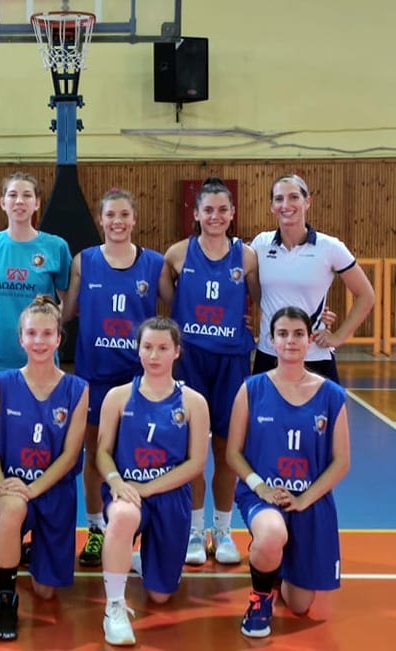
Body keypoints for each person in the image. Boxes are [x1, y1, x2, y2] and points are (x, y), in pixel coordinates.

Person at [226, 306, 351, 639]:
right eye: (282, 334)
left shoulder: (332, 395)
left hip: (309, 499)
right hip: (263, 495)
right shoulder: (251, 389)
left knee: (299, 604)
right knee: (270, 534)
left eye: (298, 334)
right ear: (271, 341)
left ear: (310, 341)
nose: (290, 341)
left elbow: (342, 462)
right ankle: (260, 600)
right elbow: (233, 453)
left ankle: (276, 567)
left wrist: (305, 498)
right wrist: (260, 488)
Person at [62, 188, 171, 567]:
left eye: (124, 215)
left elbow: (180, 309)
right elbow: (66, 312)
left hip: (140, 381)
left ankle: (136, 531)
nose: (117, 222)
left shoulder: (154, 264)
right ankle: (96, 529)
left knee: (139, 457)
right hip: (95, 375)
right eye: (110, 215)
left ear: (134, 219)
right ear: (101, 220)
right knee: (96, 456)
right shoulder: (85, 261)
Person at [95, 317, 210, 646]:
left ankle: (141, 559)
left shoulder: (193, 402)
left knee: (161, 595)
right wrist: (116, 481)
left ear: (177, 351)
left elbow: (197, 463)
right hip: (128, 491)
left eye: (162, 348)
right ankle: (114, 607)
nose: (154, 355)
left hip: (170, 496)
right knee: (122, 516)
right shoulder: (118, 397)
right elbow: (102, 452)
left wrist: (148, 488)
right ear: (138, 349)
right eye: (147, 347)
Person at [164, 177, 259, 567]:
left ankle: (222, 530)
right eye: (208, 210)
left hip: (231, 362)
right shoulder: (177, 254)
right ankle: (193, 530)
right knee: (192, 450)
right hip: (190, 361)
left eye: (223, 210)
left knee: (225, 449)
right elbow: (168, 301)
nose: (215, 216)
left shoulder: (247, 257)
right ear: (197, 213)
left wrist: (253, 327)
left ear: (232, 213)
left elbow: (262, 302)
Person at [0, 297, 88, 642]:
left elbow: (70, 455)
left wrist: (34, 489)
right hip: (12, 486)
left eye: (46, 334)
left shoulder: (77, 389)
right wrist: (0, 482)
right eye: (31, 333)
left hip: (54, 490)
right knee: (13, 509)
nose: (39, 341)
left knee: (45, 591)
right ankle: (6, 599)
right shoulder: (3, 382)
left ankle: (24, 549)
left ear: (59, 339)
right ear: (21, 338)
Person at [251, 174, 375, 383]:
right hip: (269, 354)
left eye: (294, 197)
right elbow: (251, 290)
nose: (286, 205)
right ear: (272, 206)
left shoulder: (330, 247)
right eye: (279, 199)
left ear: (307, 201)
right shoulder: (260, 244)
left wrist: (339, 336)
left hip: (314, 357)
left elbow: (366, 295)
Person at [0, 172, 73, 417]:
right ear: (2, 202)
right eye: (12, 195)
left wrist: (52, 323)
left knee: (43, 428)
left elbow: (67, 297)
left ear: (37, 203)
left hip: (41, 355)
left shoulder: (55, 247)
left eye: (27, 195)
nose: (19, 201)